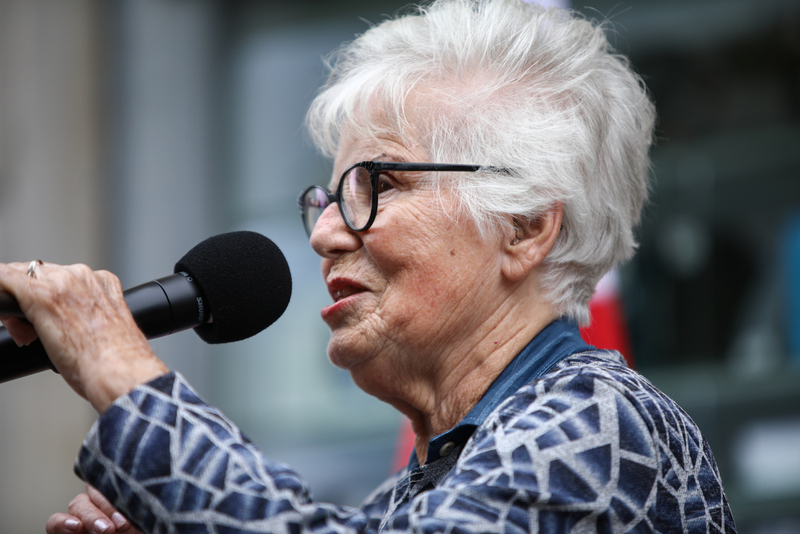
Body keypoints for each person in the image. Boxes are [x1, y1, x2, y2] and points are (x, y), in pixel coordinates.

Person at [0, 0, 736, 532]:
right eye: (327, 197)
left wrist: (120, 370)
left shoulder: (604, 424)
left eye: (377, 186)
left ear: (525, 228)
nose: (324, 235)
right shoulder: (406, 500)